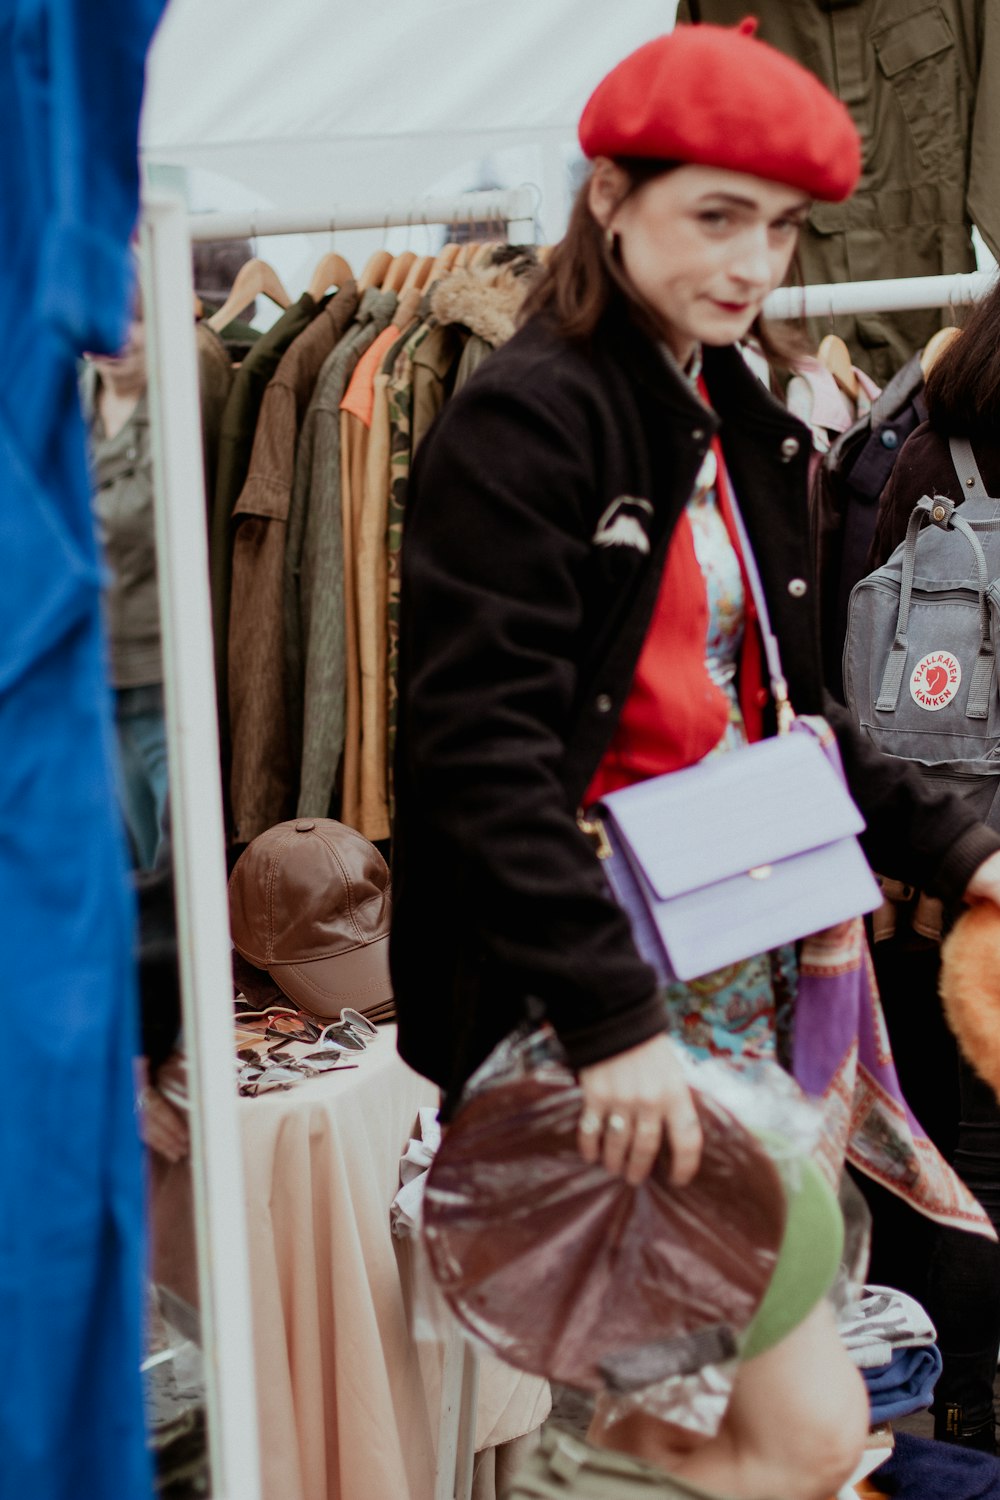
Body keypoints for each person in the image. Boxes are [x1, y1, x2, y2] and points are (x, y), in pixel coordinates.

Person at [390, 22, 1000, 1500]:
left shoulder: (727, 406)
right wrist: (611, 1025)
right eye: (715, 215)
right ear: (610, 196)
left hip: (740, 1002)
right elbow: (479, 761)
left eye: (780, 228)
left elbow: (788, 715)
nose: (755, 261)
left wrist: (965, 847)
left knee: (747, 1439)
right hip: (612, 1025)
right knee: (693, 1435)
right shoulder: (526, 421)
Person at [859, 286, 1000, 1453]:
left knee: (967, 1141)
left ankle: (954, 1411)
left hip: (941, 840)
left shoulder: (923, 454)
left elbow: (859, 667)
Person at [84, 292, 170, 870]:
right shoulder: (74, 397)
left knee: (176, 844)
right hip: (94, 658)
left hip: (160, 661)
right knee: (130, 843)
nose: (119, 335)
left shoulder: (176, 399)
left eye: (135, 318)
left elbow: (138, 518)